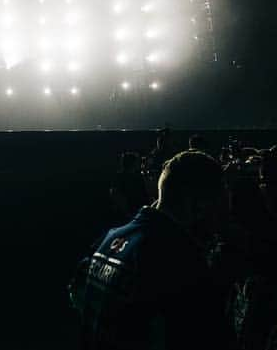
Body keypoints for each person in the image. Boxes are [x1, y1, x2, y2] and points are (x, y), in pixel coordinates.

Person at [69, 150, 232, 349]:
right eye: (217, 203)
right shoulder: (177, 257)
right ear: (196, 203)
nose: (220, 215)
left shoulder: (111, 238)